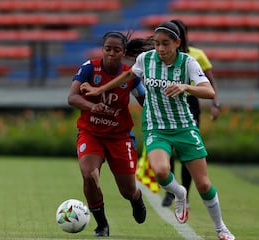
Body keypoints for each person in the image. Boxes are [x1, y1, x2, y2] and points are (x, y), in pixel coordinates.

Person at [80, 21, 235, 240]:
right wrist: (99, 89)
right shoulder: (146, 59)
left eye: (165, 44)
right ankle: (179, 192)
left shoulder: (188, 63)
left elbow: (208, 91)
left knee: (203, 184)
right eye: (156, 43)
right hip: (156, 128)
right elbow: (127, 76)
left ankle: (221, 228)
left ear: (177, 43)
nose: (160, 48)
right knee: (161, 171)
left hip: (184, 126)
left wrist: (185, 87)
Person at [67, 31, 151, 237]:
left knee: (127, 190)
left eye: (117, 50)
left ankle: (136, 198)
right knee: (89, 175)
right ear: (102, 50)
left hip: (119, 136)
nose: (111, 54)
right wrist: (90, 106)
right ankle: (102, 224)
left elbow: (145, 101)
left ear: (123, 52)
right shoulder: (89, 68)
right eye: (107, 49)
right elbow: (72, 97)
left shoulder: (129, 75)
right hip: (91, 133)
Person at [161, 19, 221, 207]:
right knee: (167, 150)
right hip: (167, 103)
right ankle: (171, 193)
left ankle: (185, 192)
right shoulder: (161, 54)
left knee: (186, 151)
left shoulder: (196, 55)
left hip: (189, 104)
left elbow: (209, 81)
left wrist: (215, 103)